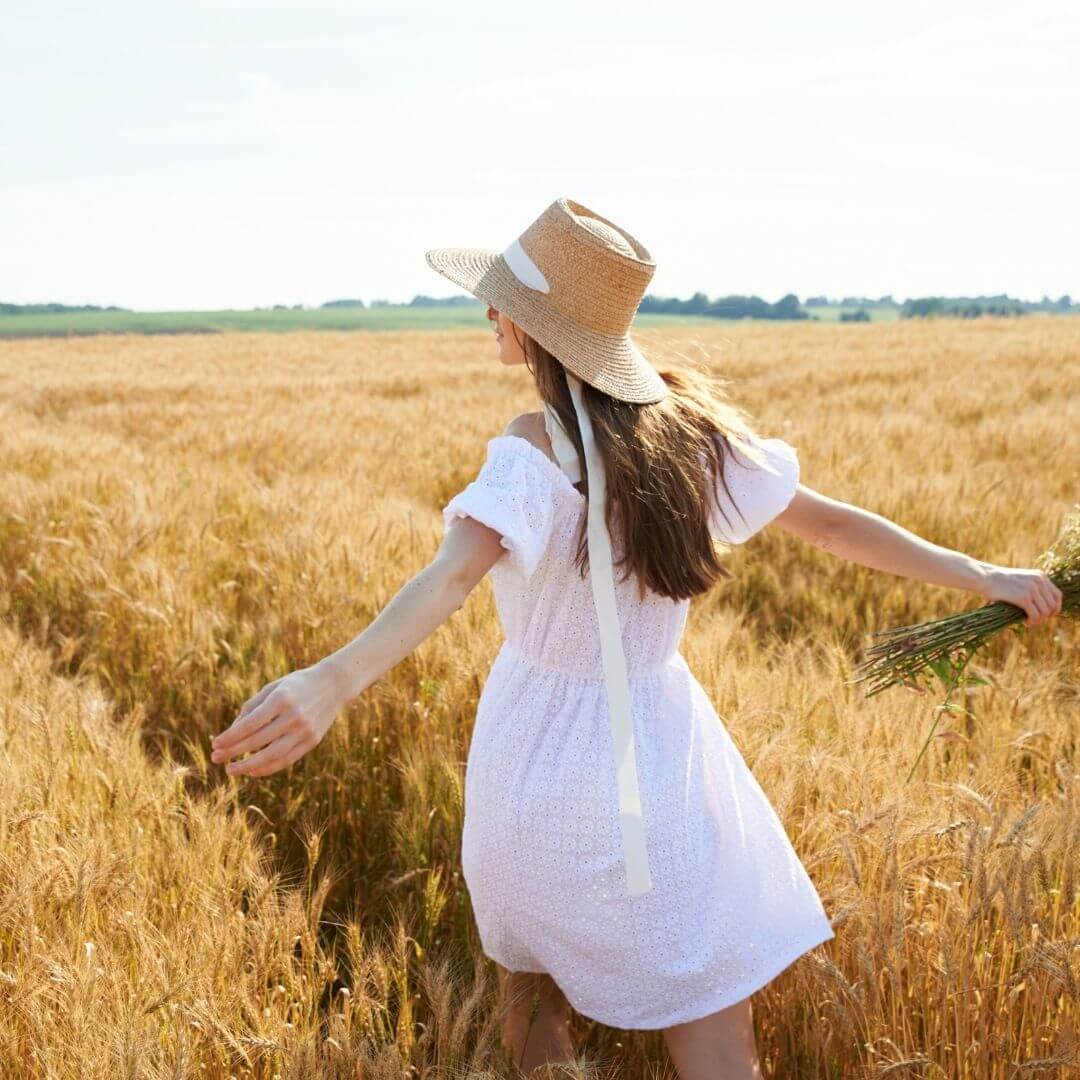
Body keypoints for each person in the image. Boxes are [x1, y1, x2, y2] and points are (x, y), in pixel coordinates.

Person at [208, 198, 1064, 1078]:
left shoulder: (531, 450)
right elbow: (837, 527)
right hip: (657, 764)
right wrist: (984, 577)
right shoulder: (693, 442)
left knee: (531, 1008)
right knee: (713, 1027)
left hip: (527, 768)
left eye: (502, 299)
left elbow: (451, 577)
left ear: (535, 327)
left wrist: (334, 680)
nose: (490, 313)